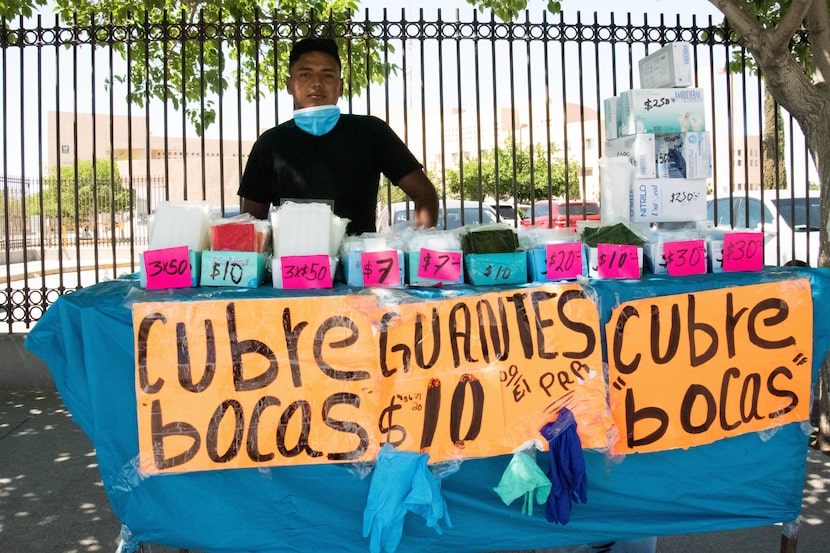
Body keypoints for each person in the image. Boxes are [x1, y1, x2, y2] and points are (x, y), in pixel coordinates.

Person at [238, 37, 439, 235]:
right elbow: (251, 223)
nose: (316, 83)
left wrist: (419, 247)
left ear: (341, 85)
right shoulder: (270, 144)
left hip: (358, 265)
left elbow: (424, 194)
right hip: (293, 266)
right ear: (289, 84)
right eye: (305, 74)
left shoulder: (372, 132)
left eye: (327, 75)